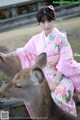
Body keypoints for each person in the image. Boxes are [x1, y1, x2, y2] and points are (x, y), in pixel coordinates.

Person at [3, 5, 80, 117]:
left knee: (57, 98)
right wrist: (6, 56)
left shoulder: (61, 38)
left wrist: (56, 81)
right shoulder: (37, 39)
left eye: (49, 20)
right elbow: (24, 51)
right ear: (39, 23)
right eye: (43, 22)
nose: (47, 25)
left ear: (54, 19)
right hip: (45, 76)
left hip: (61, 76)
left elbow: (65, 59)